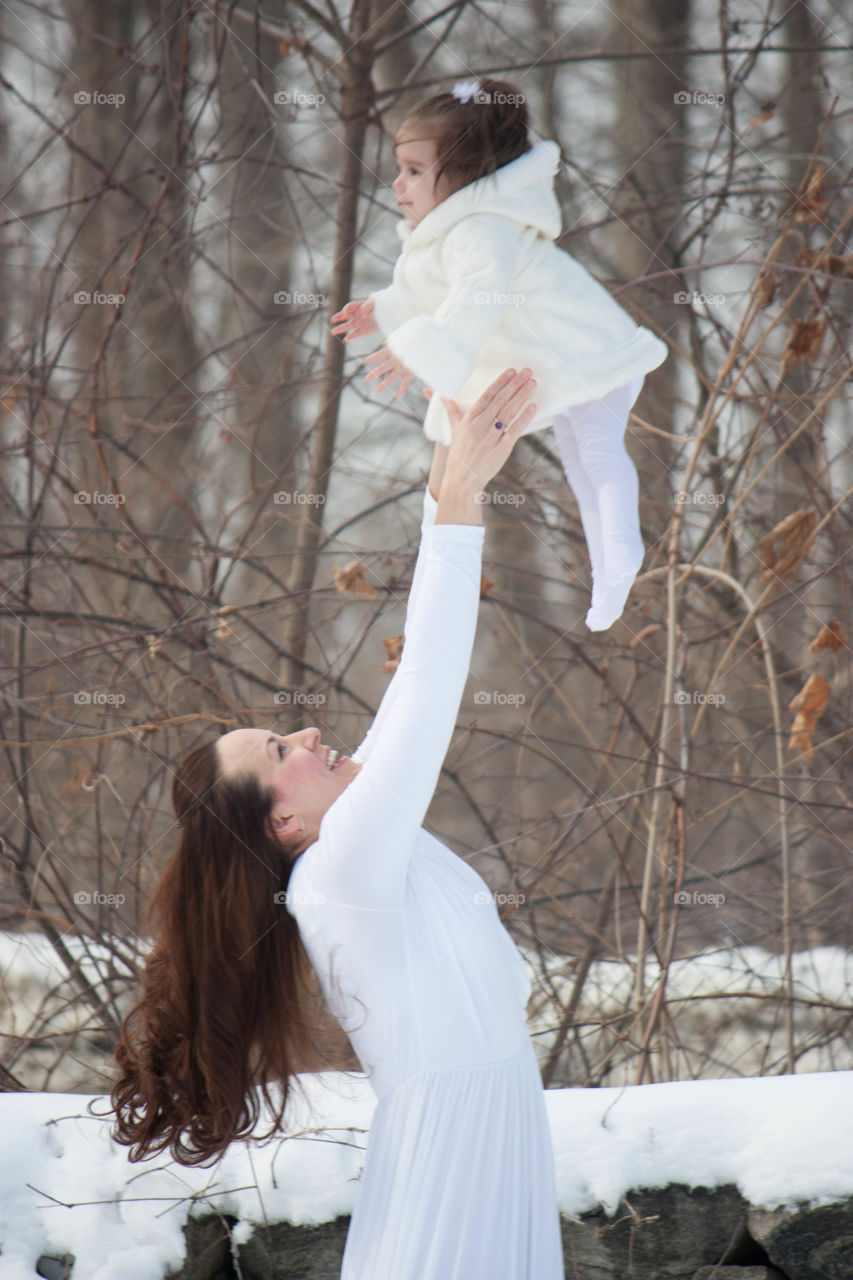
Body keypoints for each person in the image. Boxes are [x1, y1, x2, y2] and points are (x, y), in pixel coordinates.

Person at [108, 368, 566, 1279]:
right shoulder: (342, 872)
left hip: (484, 1138)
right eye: (281, 748)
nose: (309, 732)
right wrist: (461, 502)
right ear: (280, 822)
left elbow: (409, 701)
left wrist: (450, 436)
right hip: (452, 1160)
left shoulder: (361, 857)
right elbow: (425, 688)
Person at [332, 77, 668, 631]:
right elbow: (433, 290)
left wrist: (418, 352)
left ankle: (620, 550)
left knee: (596, 453)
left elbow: (473, 300)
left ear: (466, 175)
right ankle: (610, 571)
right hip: (568, 362)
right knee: (583, 459)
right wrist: (385, 310)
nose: (397, 184)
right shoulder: (453, 233)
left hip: (589, 352)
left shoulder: (483, 228)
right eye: (401, 169)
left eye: (415, 171)